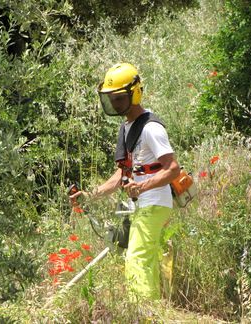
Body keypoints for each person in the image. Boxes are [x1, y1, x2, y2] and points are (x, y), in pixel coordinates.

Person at [69, 63, 180, 301]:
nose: (115, 104)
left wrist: (143, 186)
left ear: (135, 93)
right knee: (144, 259)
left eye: (119, 98)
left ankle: (141, 312)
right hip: (142, 203)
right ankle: (151, 311)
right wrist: (90, 194)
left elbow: (173, 169)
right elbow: (121, 175)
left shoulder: (151, 128)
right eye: (112, 99)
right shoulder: (128, 127)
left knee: (136, 258)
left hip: (154, 201)